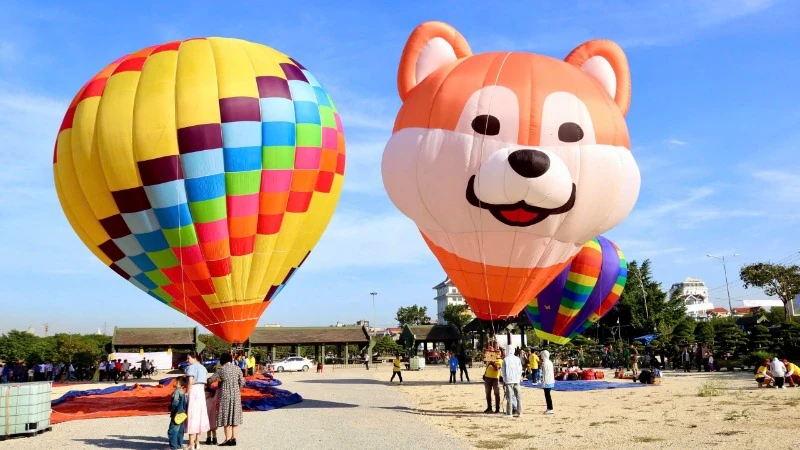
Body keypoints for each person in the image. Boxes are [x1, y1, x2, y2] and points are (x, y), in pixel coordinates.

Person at [208, 353, 244, 446]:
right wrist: (236, 387)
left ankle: (227, 439)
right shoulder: (238, 368)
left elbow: (211, 379)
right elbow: (242, 382)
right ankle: (234, 438)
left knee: (226, 416)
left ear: (222, 360)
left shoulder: (221, 370)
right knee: (234, 416)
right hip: (236, 395)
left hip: (225, 395)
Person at [185, 352, 210, 449]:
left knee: (192, 415)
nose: (187, 360)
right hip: (201, 391)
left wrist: (187, 393)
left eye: (188, 358)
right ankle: (197, 442)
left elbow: (190, 382)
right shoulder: (203, 368)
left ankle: (191, 443)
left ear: (194, 358)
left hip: (194, 391)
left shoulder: (191, 368)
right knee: (200, 415)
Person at [502, 345, 523, 417]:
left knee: (509, 397)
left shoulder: (505, 359)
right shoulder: (517, 359)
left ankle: (509, 413)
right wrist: (519, 377)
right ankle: (519, 412)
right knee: (518, 397)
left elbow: (503, 371)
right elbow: (520, 370)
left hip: (508, 380)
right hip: (516, 380)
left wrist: (504, 379)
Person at [168, 376, 188, 450]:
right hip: (182, 414)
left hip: (176, 413)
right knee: (180, 430)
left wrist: (171, 408)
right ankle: (179, 444)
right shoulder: (183, 392)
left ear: (178, 383)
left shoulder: (176, 391)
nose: (173, 382)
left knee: (172, 431)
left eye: (175, 381)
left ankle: (173, 446)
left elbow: (175, 402)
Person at [482, 348, 503, 414]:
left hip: (495, 378)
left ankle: (497, 409)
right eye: (496, 352)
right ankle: (489, 407)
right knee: (488, 393)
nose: (497, 353)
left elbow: (496, 368)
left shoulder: (500, 360)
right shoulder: (490, 357)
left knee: (497, 393)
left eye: (498, 352)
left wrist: (492, 362)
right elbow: (484, 357)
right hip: (488, 377)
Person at [541, 350, 555, 415]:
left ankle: (550, 408)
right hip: (551, 380)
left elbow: (544, 374)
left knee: (547, 395)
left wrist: (543, 381)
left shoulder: (545, 363)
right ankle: (549, 408)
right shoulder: (550, 362)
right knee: (548, 395)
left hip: (546, 381)